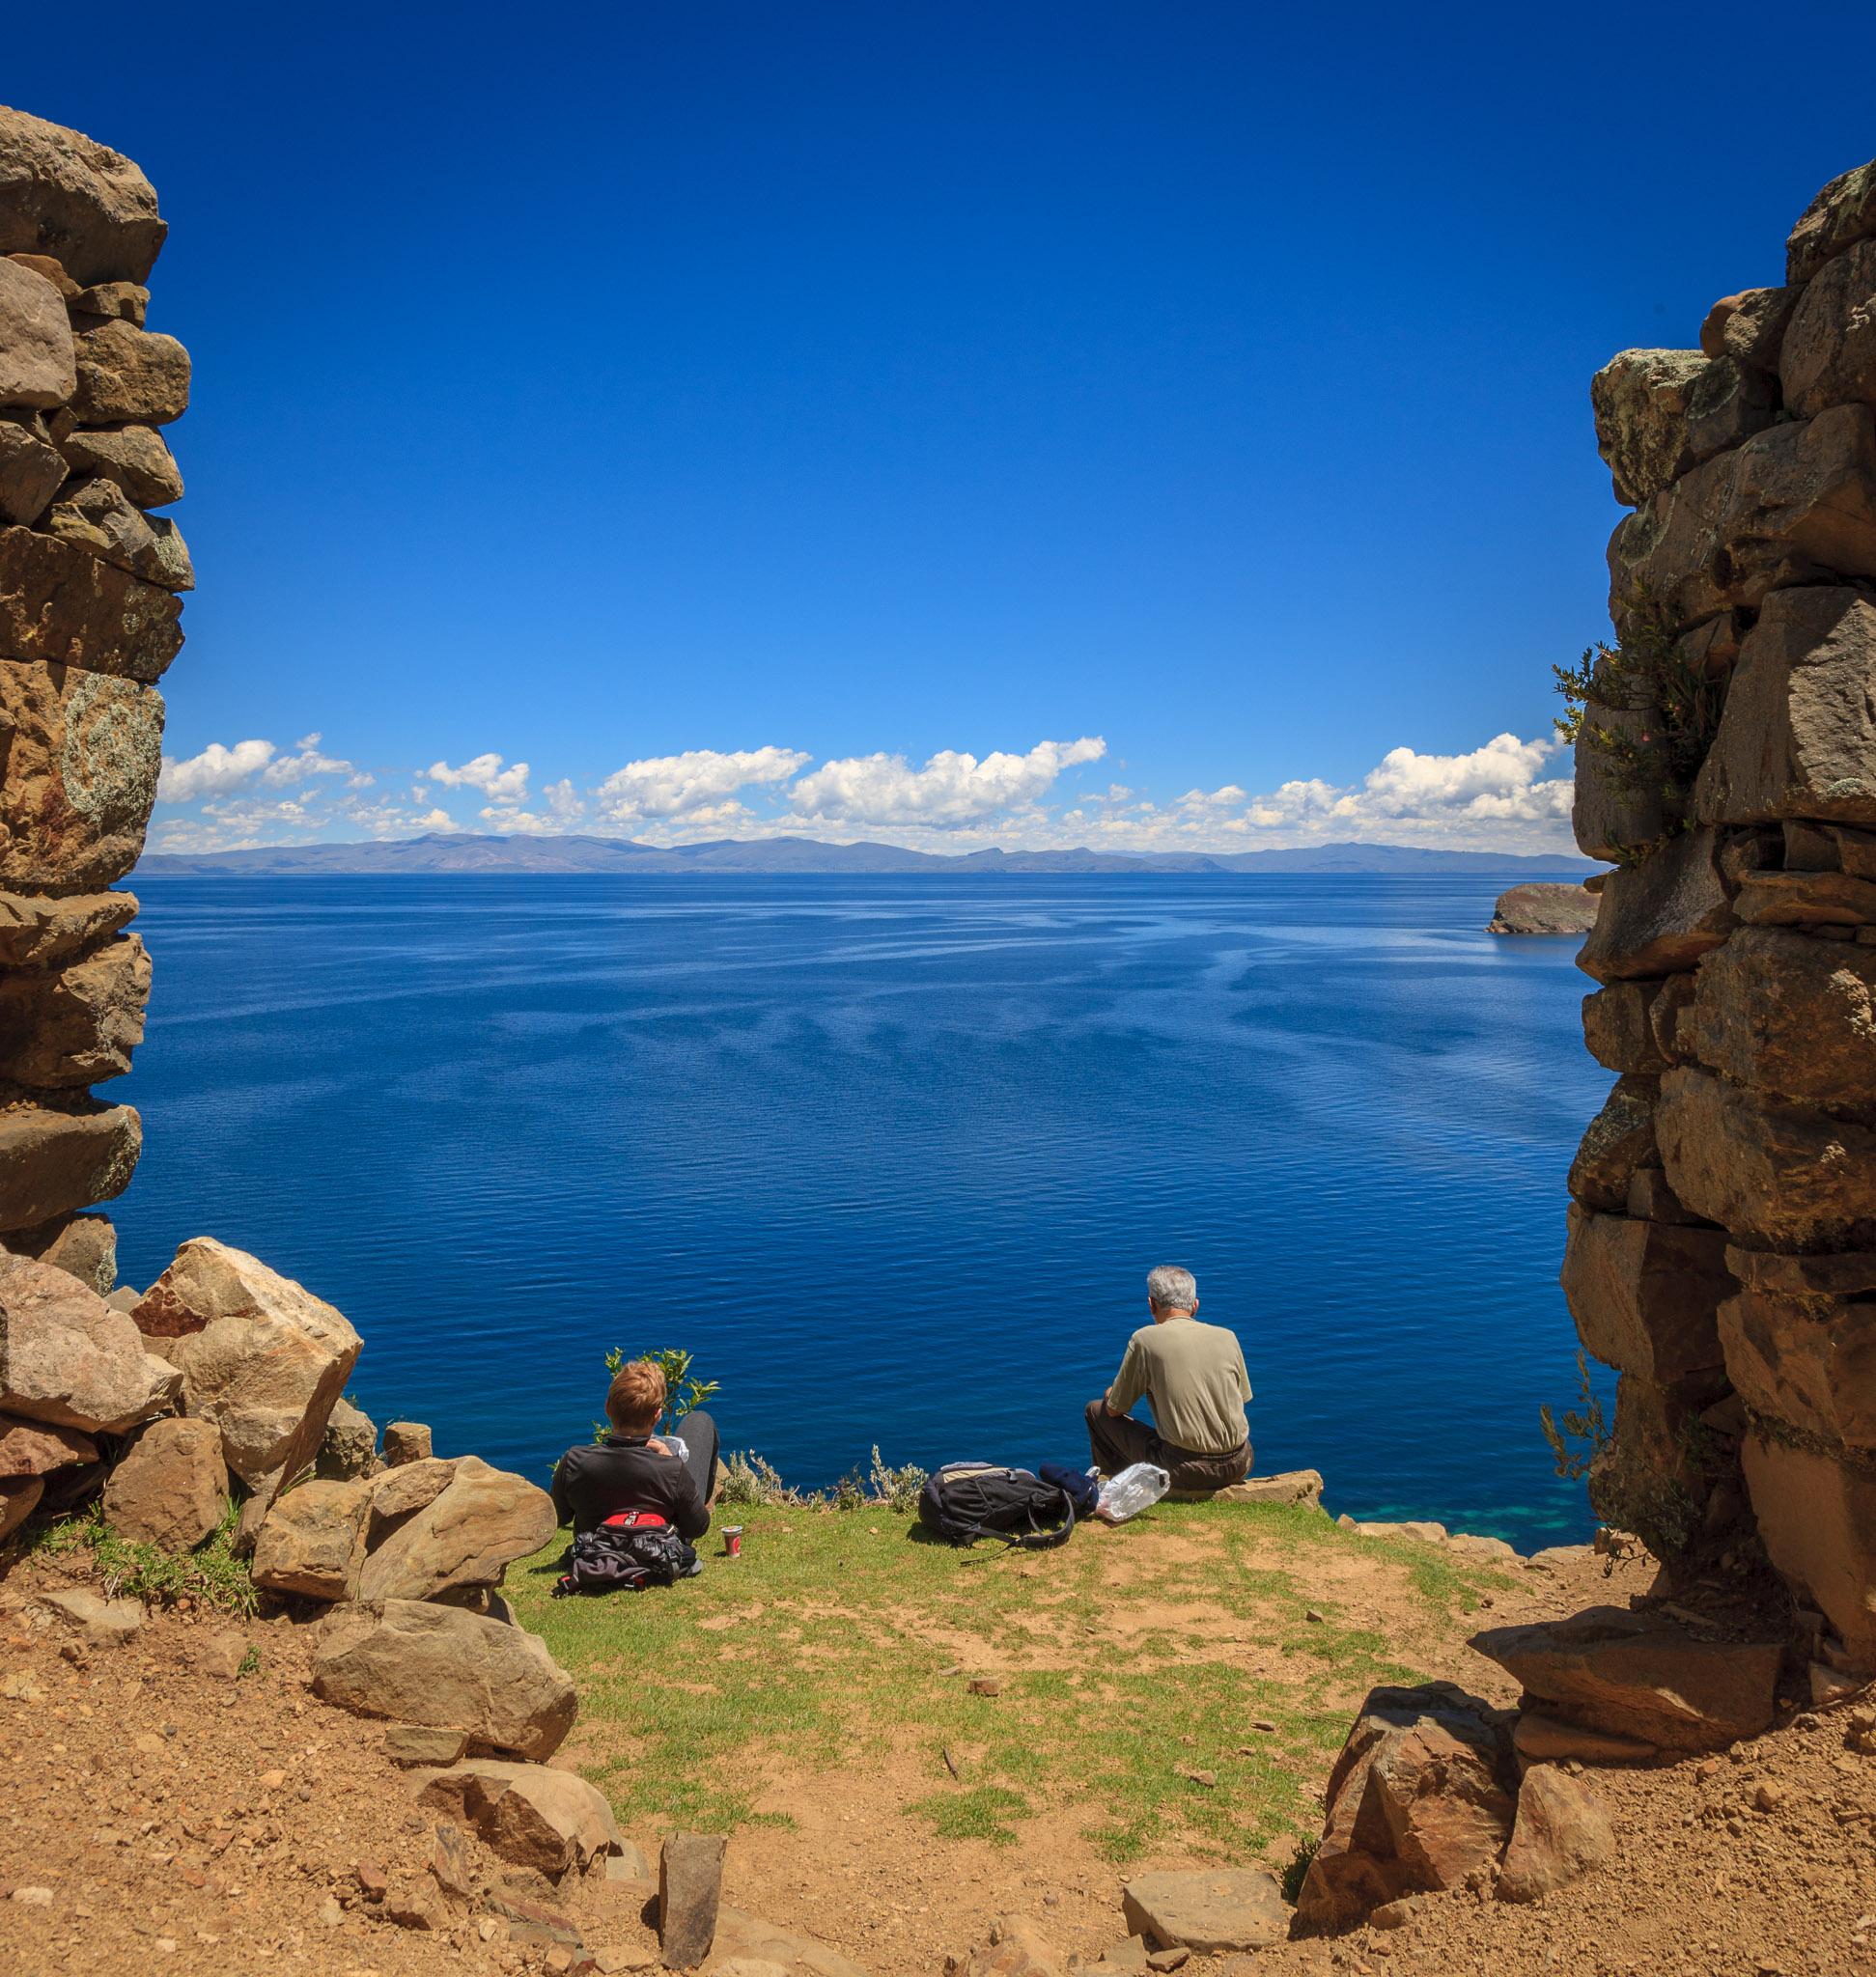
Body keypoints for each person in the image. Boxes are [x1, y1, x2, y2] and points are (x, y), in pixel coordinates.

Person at [1084, 1266, 1252, 1492]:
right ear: (1195, 1306)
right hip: (1241, 1461)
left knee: (1096, 1410)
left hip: (1185, 1468)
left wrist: (1111, 1393)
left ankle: (1119, 1489)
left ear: (1151, 1304)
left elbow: (1115, 1410)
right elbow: (1240, 1400)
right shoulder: (1228, 1337)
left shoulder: (1145, 1340)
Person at [550, 1358, 719, 1542]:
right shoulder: (671, 1469)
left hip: (595, 1552)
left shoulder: (574, 1461)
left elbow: (558, 1516)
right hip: (658, 1552)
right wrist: (671, 1462)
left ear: (607, 1408)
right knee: (699, 1420)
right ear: (656, 1416)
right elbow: (697, 1527)